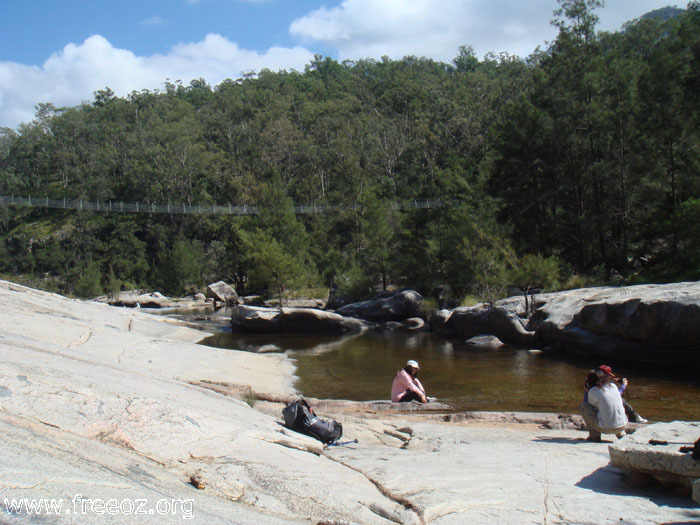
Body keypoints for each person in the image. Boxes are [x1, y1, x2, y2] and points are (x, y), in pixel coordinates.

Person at [583, 366, 647, 424]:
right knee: (621, 400)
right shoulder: (609, 386)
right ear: (604, 376)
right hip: (615, 423)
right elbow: (616, 395)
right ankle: (635, 418)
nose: (610, 377)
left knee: (585, 405)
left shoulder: (592, 386)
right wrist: (623, 385)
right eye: (608, 376)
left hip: (602, 417)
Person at [580, 365, 628, 442]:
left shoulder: (594, 391)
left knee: (584, 406)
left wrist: (586, 391)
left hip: (604, 428)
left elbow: (589, 405)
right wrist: (623, 386)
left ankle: (594, 435)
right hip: (622, 425)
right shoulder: (613, 386)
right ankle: (621, 434)